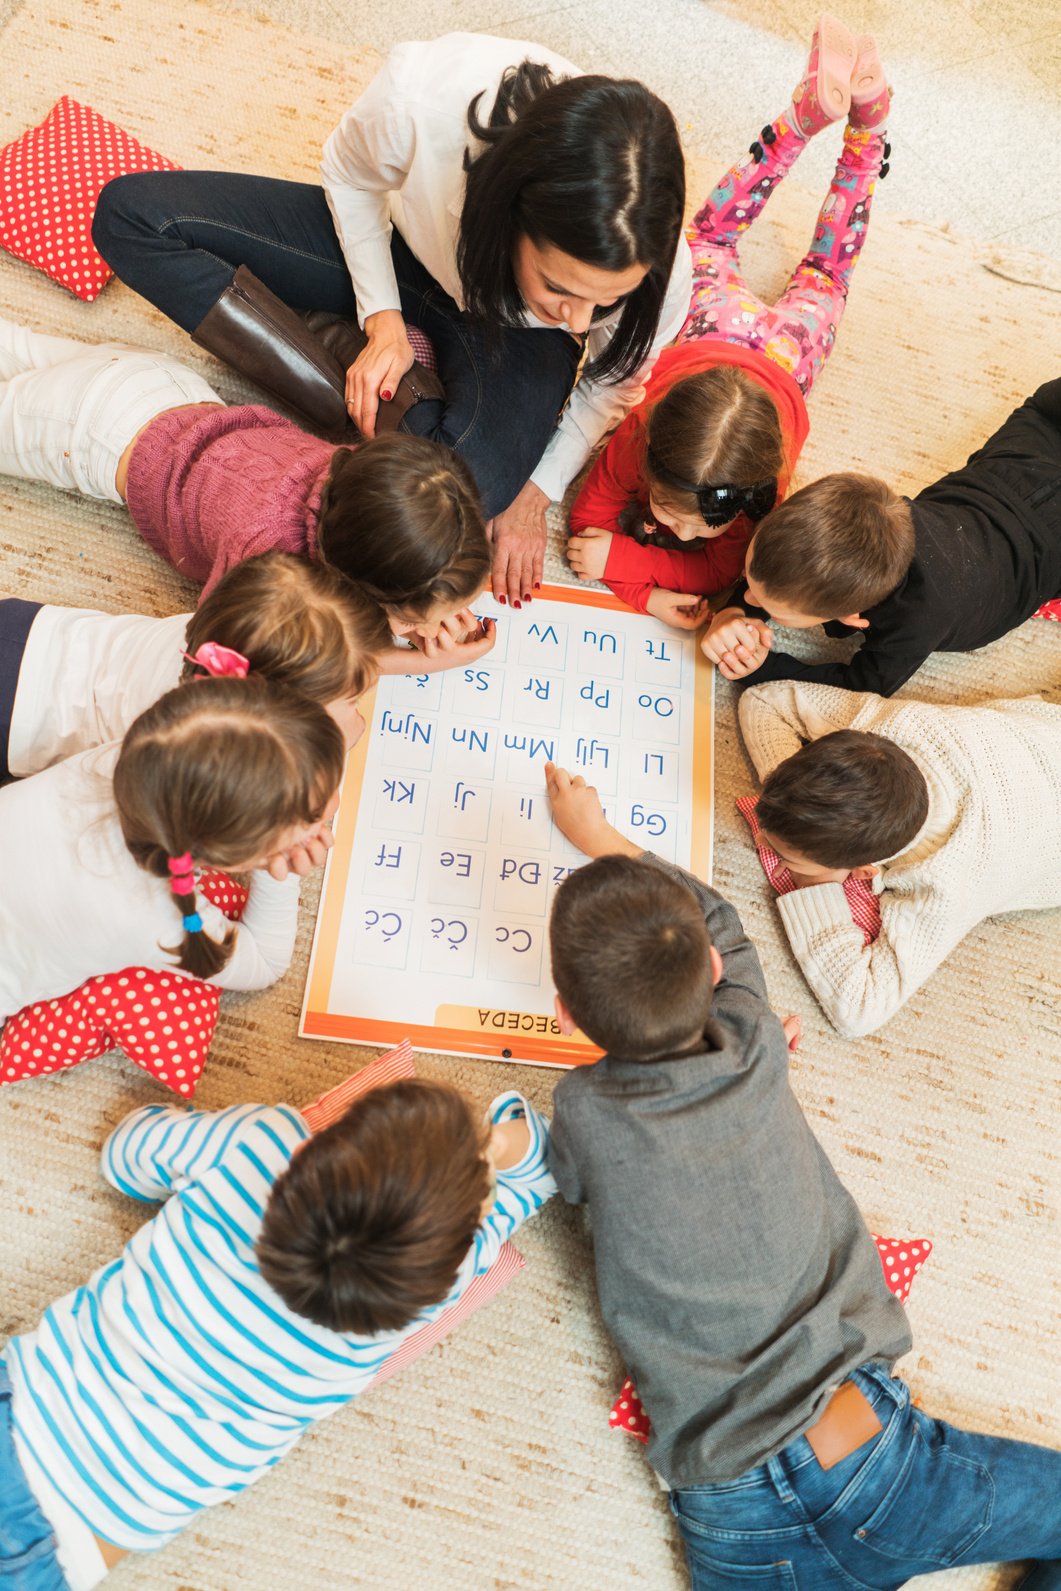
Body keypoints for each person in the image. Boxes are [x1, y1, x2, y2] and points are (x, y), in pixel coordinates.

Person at [539, 760, 1061, 1591]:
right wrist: (596, 836)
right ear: (713, 970)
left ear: (564, 1015)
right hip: (871, 1458)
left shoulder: (583, 1111)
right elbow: (721, 916)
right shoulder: (749, 1028)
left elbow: (562, 1179)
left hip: (731, 1510)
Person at [89, 33, 691, 605]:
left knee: (456, 499)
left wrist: (537, 493)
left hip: (511, 341)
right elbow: (348, 175)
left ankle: (308, 330)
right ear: (510, 213)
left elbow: (609, 383)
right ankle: (360, 347)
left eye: (605, 301)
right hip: (395, 246)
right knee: (132, 217)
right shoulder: (420, 98)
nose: (580, 320)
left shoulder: (660, 273)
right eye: (560, 286)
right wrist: (381, 318)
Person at [0, 1069, 554, 1586]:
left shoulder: (262, 1146)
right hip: (66, 1549)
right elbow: (531, 1184)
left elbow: (123, 1158)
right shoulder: (419, 1302)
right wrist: (500, 1147)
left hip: (21, 1407)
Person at [567, 18, 890, 628]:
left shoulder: (761, 494)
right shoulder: (638, 435)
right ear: (645, 446)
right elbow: (592, 525)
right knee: (816, 266)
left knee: (724, 240)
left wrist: (631, 567)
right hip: (761, 348)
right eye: (665, 507)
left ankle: (838, 128)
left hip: (770, 354)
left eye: (696, 521)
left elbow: (719, 572)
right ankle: (857, 134)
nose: (674, 529)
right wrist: (646, 588)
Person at [0, 319, 497, 667]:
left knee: (16, 348)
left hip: (161, 384)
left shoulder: (358, 485)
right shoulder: (266, 556)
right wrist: (405, 657)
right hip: (88, 432)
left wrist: (418, 601)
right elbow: (215, 657)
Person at [0, 675, 346, 1029]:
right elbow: (265, 964)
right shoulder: (152, 915)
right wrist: (281, 872)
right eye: (315, 814)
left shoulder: (149, 750)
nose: (336, 803)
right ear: (232, 859)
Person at [737, 680, 1061, 1037]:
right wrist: (788, 802)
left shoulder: (944, 878)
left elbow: (859, 1009)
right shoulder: (884, 725)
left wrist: (815, 887)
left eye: (785, 857)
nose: (762, 841)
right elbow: (765, 699)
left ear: (863, 872)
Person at [697, 377, 1061, 695]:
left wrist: (762, 669)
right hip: (1025, 456)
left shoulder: (917, 622)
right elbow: (779, 573)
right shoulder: (878, 514)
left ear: (851, 617)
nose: (748, 595)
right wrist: (733, 611)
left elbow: (862, 685)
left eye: (759, 598)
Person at [1, 551, 391, 782]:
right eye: (352, 700)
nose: (361, 705)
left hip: (28, 629)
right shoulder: (188, 754)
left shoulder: (225, 632)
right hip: (12, 724)